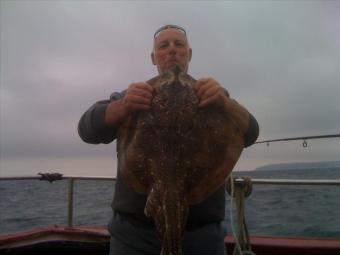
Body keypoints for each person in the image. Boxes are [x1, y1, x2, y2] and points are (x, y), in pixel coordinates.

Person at [78, 25, 259, 255]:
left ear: (189, 54)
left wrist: (225, 103)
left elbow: (251, 133)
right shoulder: (134, 97)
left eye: (179, 45)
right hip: (134, 237)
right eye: (164, 46)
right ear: (154, 57)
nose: (172, 50)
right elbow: (86, 130)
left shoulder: (212, 96)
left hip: (203, 238)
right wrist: (122, 106)